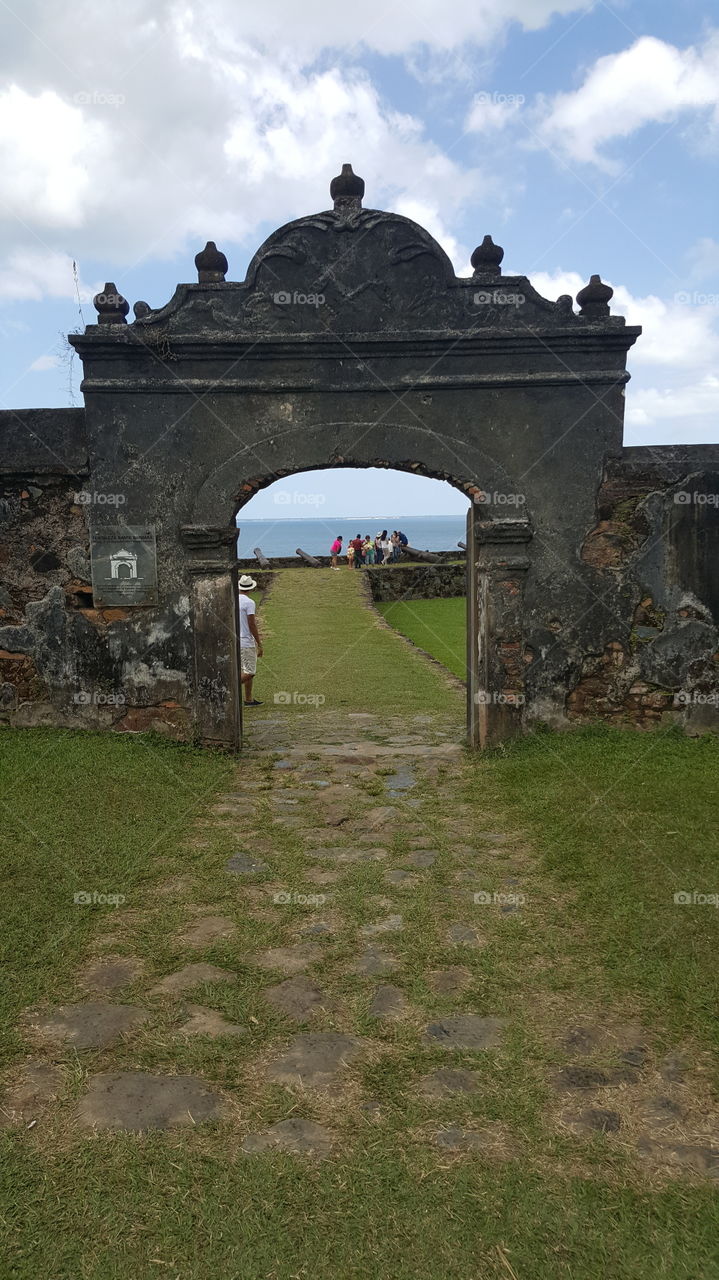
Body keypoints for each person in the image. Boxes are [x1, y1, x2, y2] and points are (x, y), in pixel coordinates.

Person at [237, 574, 263, 706]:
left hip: (236, 639)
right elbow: (252, 623)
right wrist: (259, 642)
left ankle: (248, 698)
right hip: (246, 641)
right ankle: (231, 688)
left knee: (245, 669)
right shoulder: (249, 603)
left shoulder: (233, 599)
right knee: (250, 672)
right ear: (251, 589)